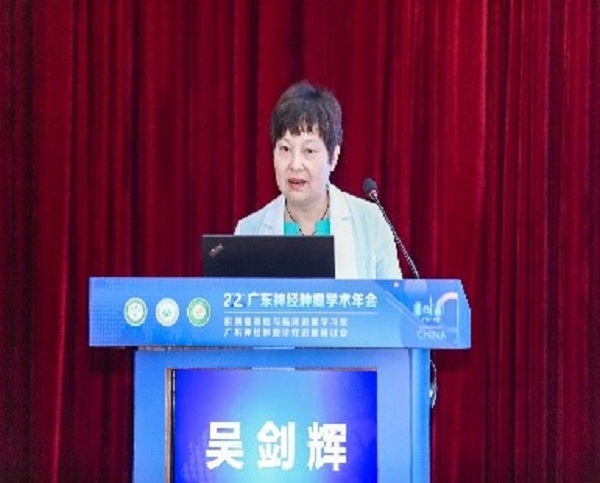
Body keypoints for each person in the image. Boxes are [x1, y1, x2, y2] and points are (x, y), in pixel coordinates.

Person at [234, 81, 402, 279]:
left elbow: (392, 297)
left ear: (334, 157)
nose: (295, 165)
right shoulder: (248, 230)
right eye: (285, 149)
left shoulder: (370, 222)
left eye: (309, 151)